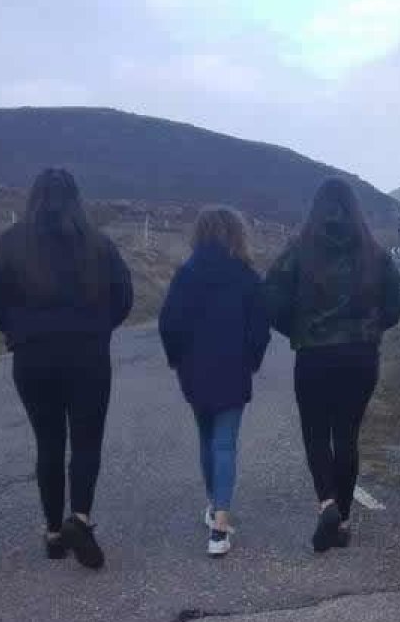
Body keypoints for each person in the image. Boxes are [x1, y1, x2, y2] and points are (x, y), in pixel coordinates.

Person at [0, 168, 133, 569]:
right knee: (86, 441)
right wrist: (99, 329)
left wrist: (18, 331)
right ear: (77, 200)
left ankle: (52, 533)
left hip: (33, 356)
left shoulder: (11, 242)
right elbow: (124, 297)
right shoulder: (99, 245)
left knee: (48, 442)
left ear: (33, 198)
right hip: (87, 354)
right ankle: (79, 518)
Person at [264, 178, 400, 553]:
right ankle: (342, 519)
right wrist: (372, 327)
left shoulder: (298, 251)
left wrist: (299, 329)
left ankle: (326, 502)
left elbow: (271, 301)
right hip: (360, 357)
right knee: (346, 436)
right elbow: (396, 302)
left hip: (314, 356)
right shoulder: (375, 253)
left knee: (315, 434)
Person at [159, 206, 270, 557]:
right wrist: (251, 361)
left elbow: (169, 324)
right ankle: (220, 525)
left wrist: (177, 359)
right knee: (225, 443)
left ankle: (212, 505)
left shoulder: (186, 275)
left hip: (194, 370)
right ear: (237, 235)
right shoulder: (247, 277)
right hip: (233, 369)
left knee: (207, 439)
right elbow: (259, 329)